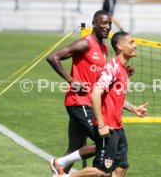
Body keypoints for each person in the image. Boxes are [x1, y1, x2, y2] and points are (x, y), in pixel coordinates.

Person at [54, 32, 148, 177]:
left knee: (121, 168)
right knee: (103, 171)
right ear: (120, 46)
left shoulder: (123, 69)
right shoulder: (112, 67)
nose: (135, 45)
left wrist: (134, 108)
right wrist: (102, 125)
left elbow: (115, 97)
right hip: (107, 127)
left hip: (118, 127)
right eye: (131, 42)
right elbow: (95, 93)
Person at [47, 10, 112, 174]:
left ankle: (59, 171)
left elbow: (99, 77)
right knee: (106, 143)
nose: (107, 26)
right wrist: (71, 80)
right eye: (103, 23)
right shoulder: (85, 43)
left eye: (109, 23)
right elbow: (53, 57)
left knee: (75, 146)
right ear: (94, 24)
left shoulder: (104, 48)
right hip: (79, 102)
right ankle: (59, 163)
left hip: (89, 103)